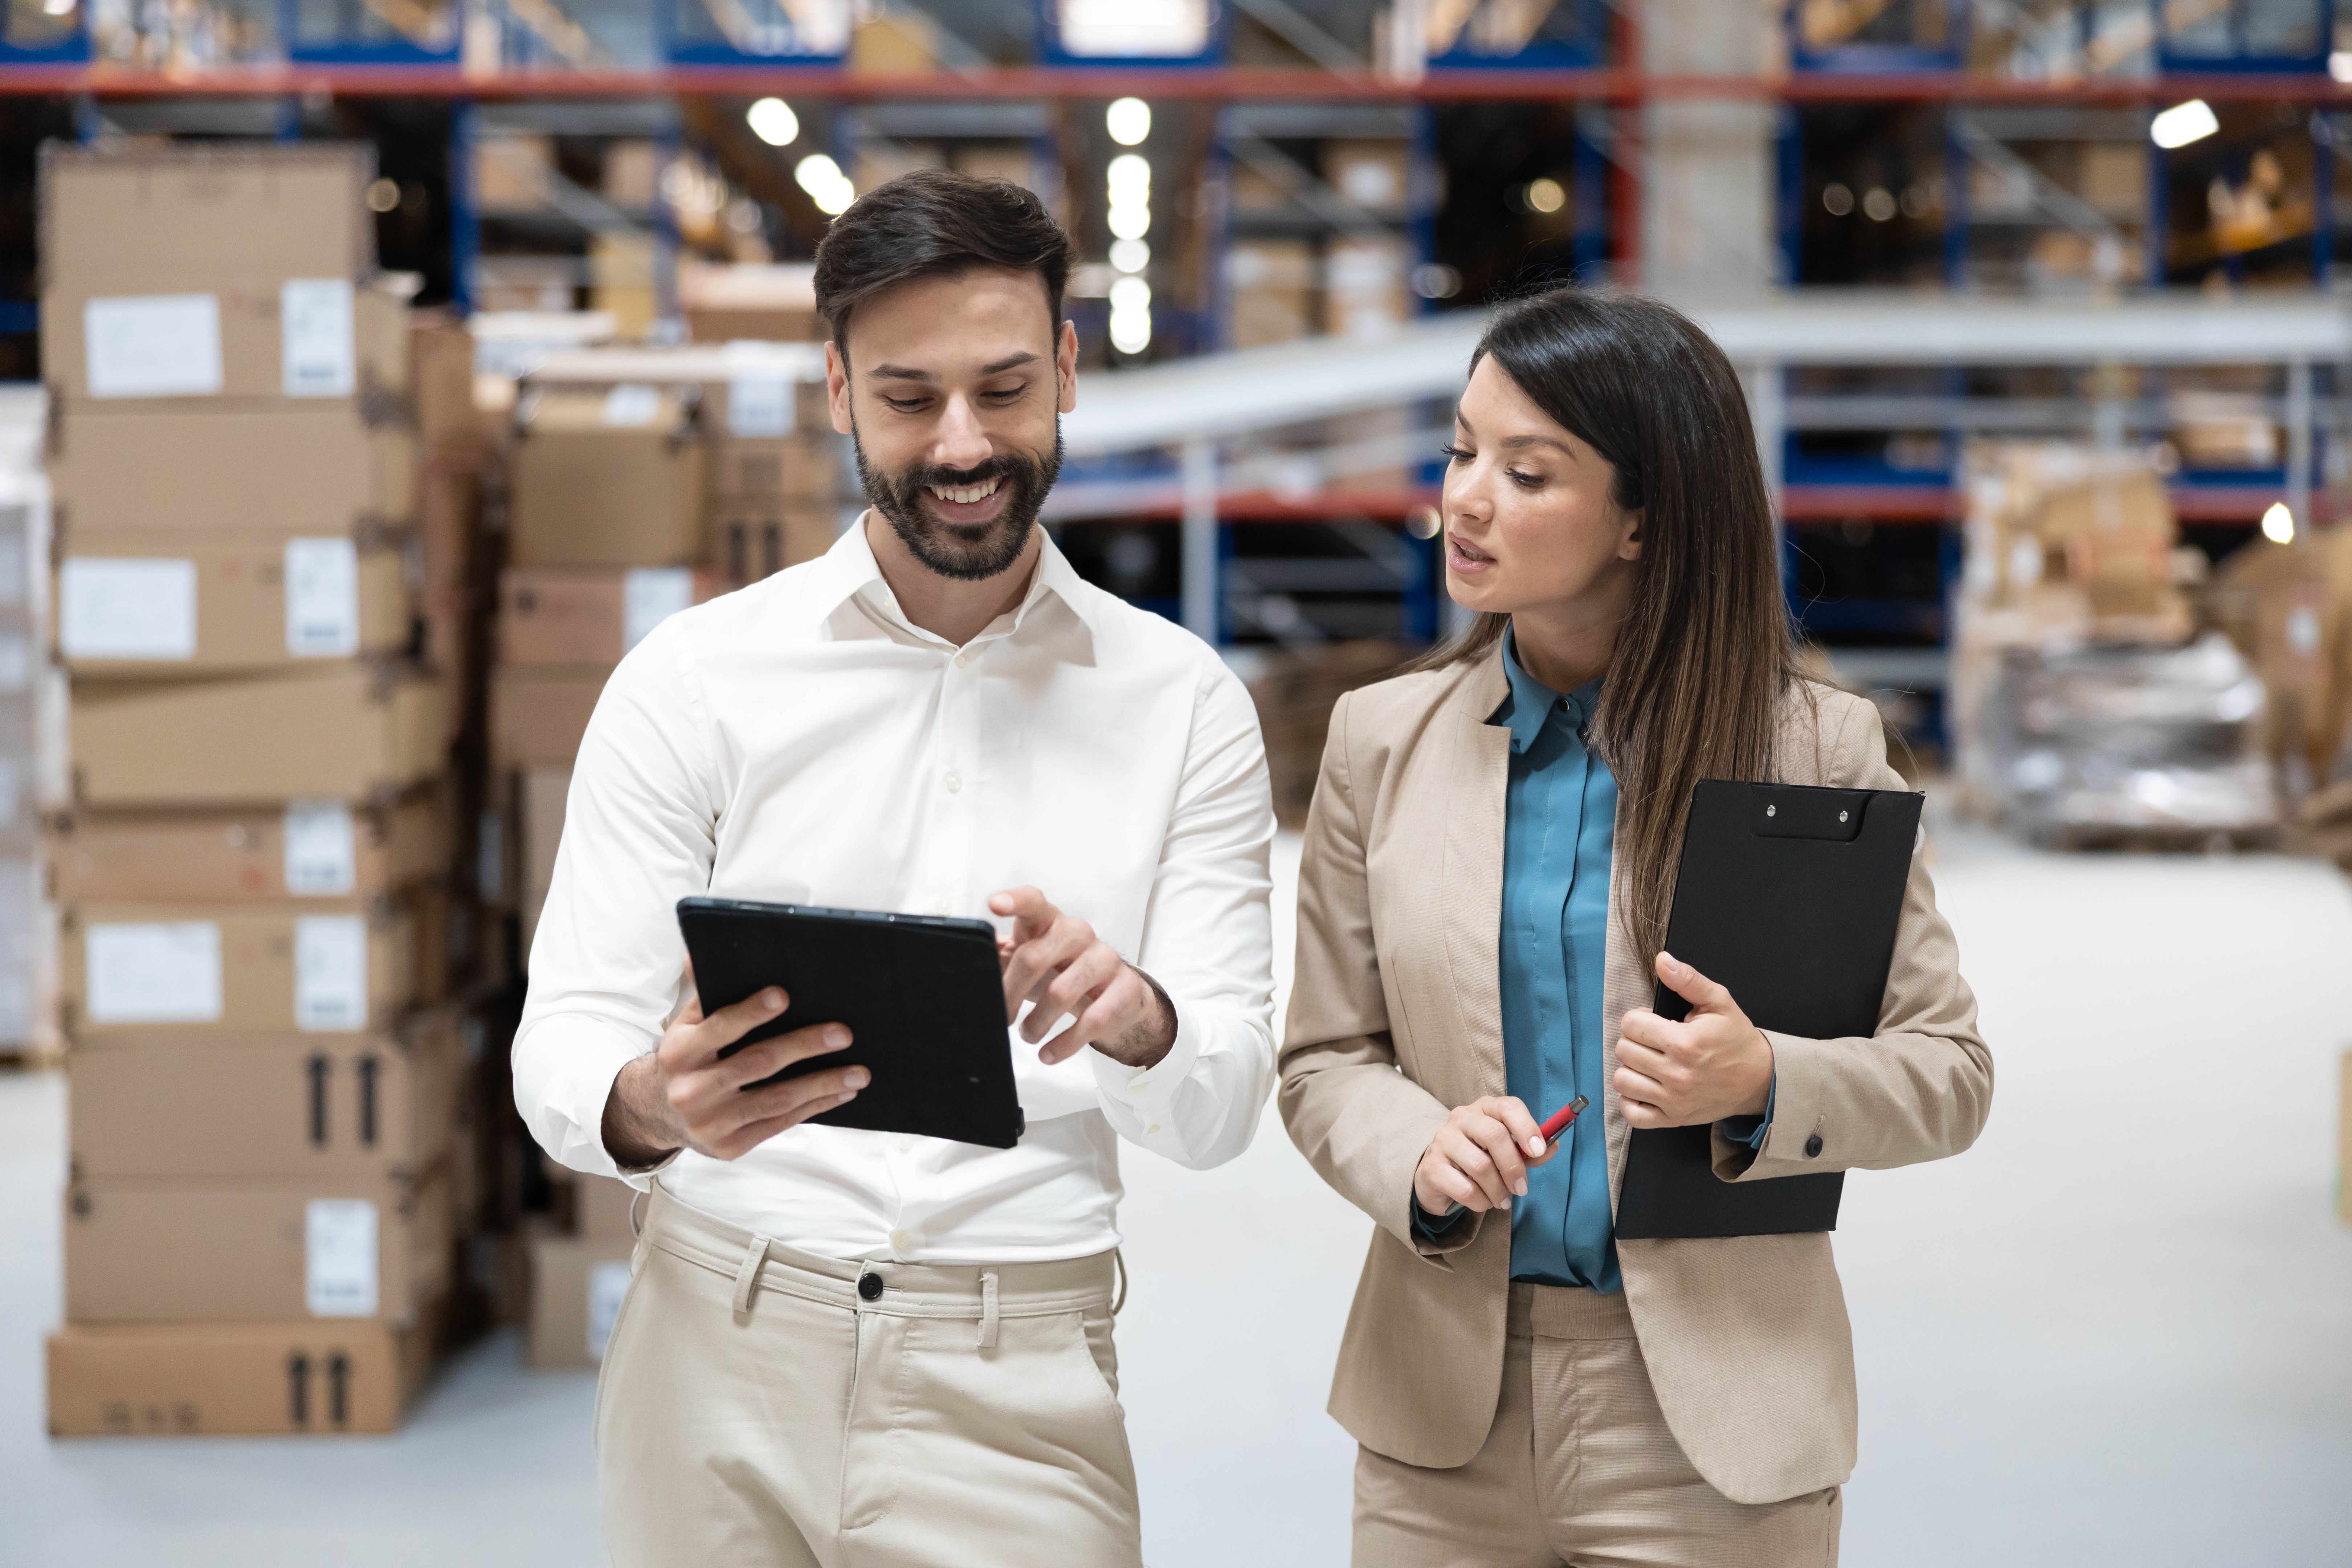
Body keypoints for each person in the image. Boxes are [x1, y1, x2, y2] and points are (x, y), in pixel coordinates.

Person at [513, 169, 1278, 1568]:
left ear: (1065, 369)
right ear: (837, 392)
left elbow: (1221, 1105)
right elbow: (560, 1038)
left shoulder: (1183, 703)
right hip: (715, 1343)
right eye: (910, 398)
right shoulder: (694, 679)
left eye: (1002, 388)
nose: (963, 443)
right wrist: (655, 1100)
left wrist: (1136, 1018)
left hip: (1019, 1364)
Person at [1277, 288, 1992, 1567]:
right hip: (1441, 1422)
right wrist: (1420, 1152)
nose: (1467, 499)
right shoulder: (1379, 743)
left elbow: (1948, 1076)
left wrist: (1766, 1079)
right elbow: (1326, 1059)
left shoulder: (1816, 754)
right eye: (1459, 451)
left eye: (1526, 470)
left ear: (1641, 518)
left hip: (1711, 1430)